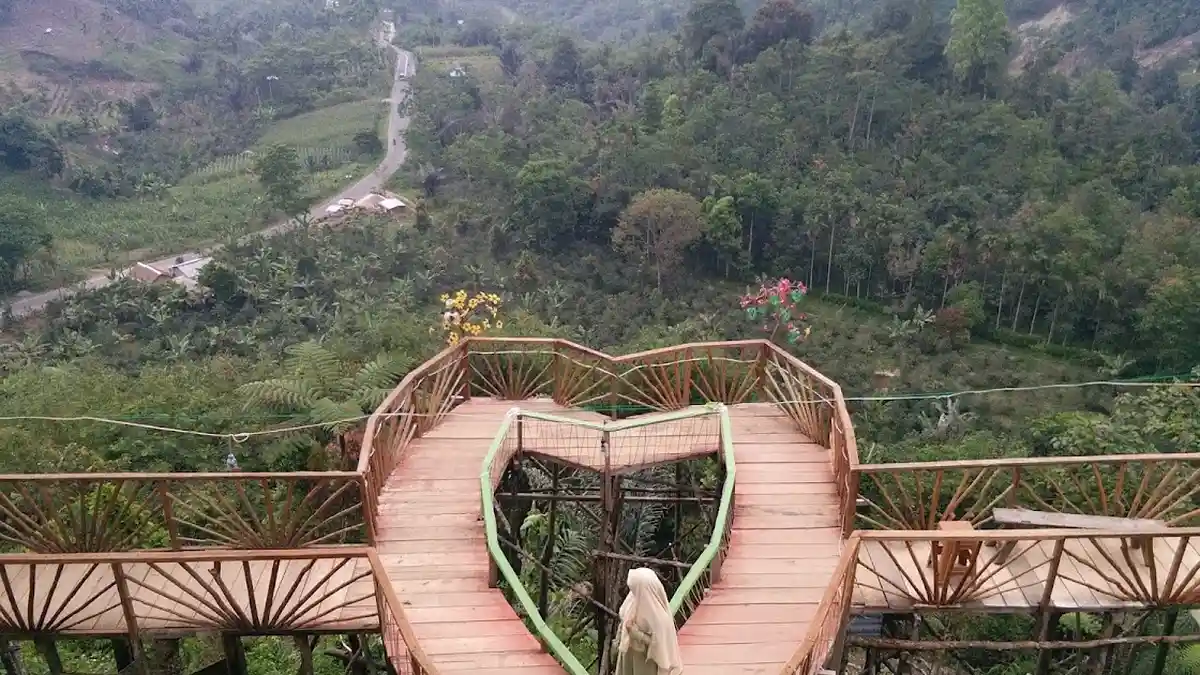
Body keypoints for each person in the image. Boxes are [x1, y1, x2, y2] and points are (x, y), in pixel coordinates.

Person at [615, 568, 684, 675]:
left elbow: (660, 645)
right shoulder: (633, 600)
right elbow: (623, 614)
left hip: (644, 663)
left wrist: (636, 633)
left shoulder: (658, 617)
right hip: (629, 655)